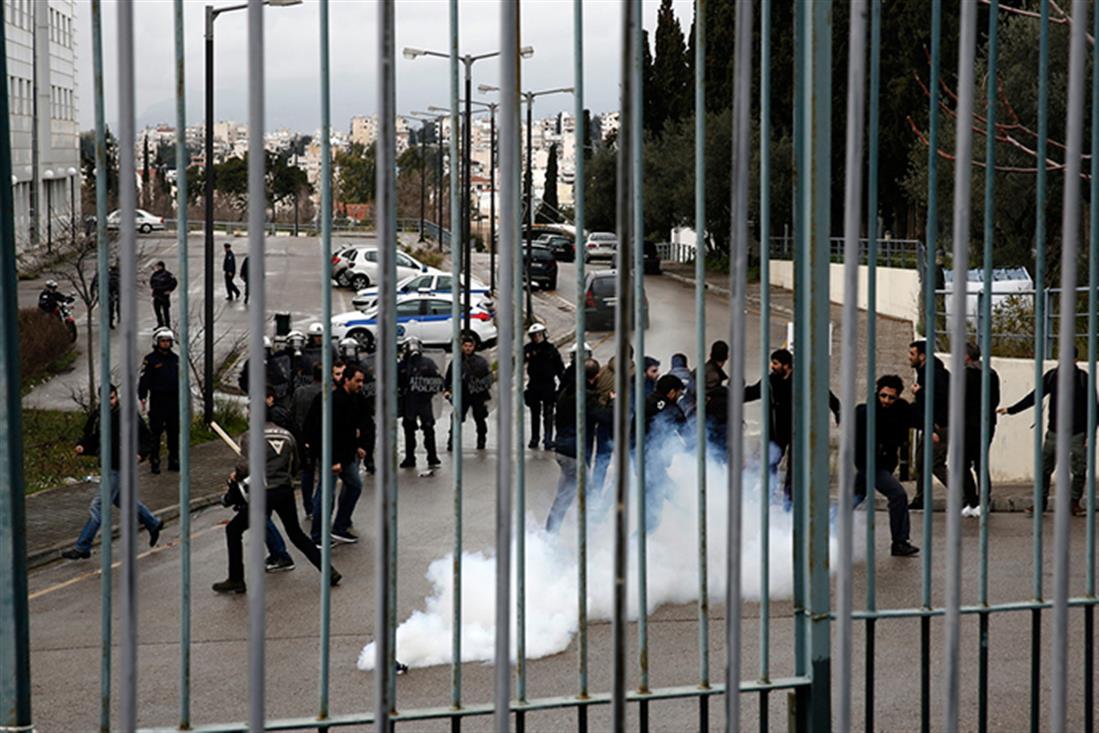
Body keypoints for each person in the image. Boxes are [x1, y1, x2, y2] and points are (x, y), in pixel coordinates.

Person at [212, 411, 340, 594]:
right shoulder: (287, 435)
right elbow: (296, 464)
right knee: (296, 533)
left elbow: (245, 466)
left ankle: (236, 578)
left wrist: (237, 475)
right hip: (284, 489)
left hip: (263, 491)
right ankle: (329, 571)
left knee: (233, 529)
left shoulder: (250, 436)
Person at [61, 384, 164, 560]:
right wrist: (82, 446)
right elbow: (91, 436)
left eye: (113, 398)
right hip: (107, 464)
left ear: (117, 397)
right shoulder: (98, 416)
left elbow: (147, 437)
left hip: (121, 465)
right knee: (122, 499)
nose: (110, 402)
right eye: (106, 399)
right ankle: (152, 523)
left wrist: (140, 453)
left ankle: (82, 546)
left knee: (98, 505)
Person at [998, 346, 1098, 515]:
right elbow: (1035, 396)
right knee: (1044, 468)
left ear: (1075, 360)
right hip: (1054, 432)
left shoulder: (1083, 379)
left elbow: (1094, 408)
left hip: (1077, 433)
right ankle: (1040, 503)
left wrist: (1090, 434)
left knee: (1079, 470)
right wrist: (1011, 409)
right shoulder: (1053, 376)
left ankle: (1074, 502)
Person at [744, 348, 840, 503]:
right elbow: (753, 392)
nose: (772, 367)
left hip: (797, 431)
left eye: (775, 363)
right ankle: (769, 494)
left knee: (794, 468)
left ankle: (790, 502)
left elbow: (824, 393)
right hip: (776, 431)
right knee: (771, 462)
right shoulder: (771, 381)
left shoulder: (802, 380)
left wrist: (837, 410)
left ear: (786, 365)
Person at [852, 375, 920, 557]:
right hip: (870, 464)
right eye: (883, 396)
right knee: (898, 495)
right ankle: (899, 542)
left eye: (891, 397)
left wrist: (920, 396)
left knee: (853, 498)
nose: (886, 401)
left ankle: (823, 530)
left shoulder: (901, 409)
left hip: (886, 464)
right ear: (877, 392)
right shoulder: (864, 412)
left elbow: (918, 417)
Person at [306, 362, 368, 544]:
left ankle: (340, 526)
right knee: (326, 495)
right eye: (357, 381)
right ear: (346, 380)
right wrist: (332, 460)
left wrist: (358, 445)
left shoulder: (354, 400)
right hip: (331, 456)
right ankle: (318, 536)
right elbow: (323, 432)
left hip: (346, 455)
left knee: (355, 486)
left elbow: (353, 428)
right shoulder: (331, 401)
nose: (360, 385)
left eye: (362, 381)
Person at [544, 358, 601, 533]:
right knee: (590, 495)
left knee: (564, 496)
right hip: (573, 452)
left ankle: (550, 534)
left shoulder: (566, 392)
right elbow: (604, 416)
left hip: (563, 450)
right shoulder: (585, 396)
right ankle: (593, 534)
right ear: (595, 376)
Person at [640, 374, 689, 530]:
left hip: (644, 461)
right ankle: (632, 548)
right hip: (651, 464)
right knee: (652, 519)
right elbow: (688, 433)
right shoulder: (670, 409)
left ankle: (690, 517)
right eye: (679, 393)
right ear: (671, 392)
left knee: (673, 495)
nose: (679, 397)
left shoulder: (646, 402)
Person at [907, 339, 951, 509]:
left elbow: (941, 399)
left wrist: (920, 393)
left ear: (922, 356)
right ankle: (921, 498)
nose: (909, 357)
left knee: (935, 464)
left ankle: (964, 495)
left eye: (912, 354)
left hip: (940, 426)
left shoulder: (935, 374)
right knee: (921, 462)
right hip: (930, 425)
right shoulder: (925, 372)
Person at [961, 342, 1001, 516]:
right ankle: (984, 501)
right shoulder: (991, 373)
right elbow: (995, 399)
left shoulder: (965, 375)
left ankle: (973, 501)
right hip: (986, 424)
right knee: (980, 464)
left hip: (968, 425)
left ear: (967, 356)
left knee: (961, 464)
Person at [138, 327, 181, 474]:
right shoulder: (150, 360)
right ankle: (155, 459)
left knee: (174, 431)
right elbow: (144, 379)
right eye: (163, 341)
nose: (166, 344)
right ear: (157, 342)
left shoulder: (175, 359)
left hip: (174, 400)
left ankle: (174, 458)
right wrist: (142, 395)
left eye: (168, 341)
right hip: (158, 400)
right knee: (156, 432)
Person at [398, 336, 443, 468]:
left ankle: (432, 456)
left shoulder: (427, 363)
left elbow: (438, 380)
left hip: (424, 400)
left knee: (428, 428)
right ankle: (410, 457)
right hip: (408, 401)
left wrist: (431, 388)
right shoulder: (401, 365)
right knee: (409, 429)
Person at [445, 334, 493, 451]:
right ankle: (452, 441)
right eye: (465, 346)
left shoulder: (481, 361)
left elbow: (488, 378)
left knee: (479, 417)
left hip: (477, 394)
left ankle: (481, 439)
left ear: (474, 347)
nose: (467, 348)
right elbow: (448, 377)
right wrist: (447, 390)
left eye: (470, 346)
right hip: (462, 394)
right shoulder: (456, 361)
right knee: (456, 418)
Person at [524, 323, 565, 450]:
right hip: (534, 384)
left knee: (548, 412)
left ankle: (547, 438)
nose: (538, 338)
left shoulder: (551, 349)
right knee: (534, 412)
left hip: (548, 385)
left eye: (540, 335)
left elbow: (559, 367)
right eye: (535, 336)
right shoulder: (528, 349)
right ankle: (534, 438)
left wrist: (563, 384)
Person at [292, 363, 325, 517]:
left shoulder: (300, 392)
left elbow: (292, 414)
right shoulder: (328, 393)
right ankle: (318, 504)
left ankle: (308, 506)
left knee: (307, 472)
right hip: (322, 438)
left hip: (303, 438)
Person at [239, 336, 293, 409]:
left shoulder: (275, 363)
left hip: (274, 401)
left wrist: (273, 395)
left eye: (265, 350)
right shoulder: (250, 363)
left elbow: (281, 379)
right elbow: (243, 380)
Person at [149, 261, 177, 329]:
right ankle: (160, 324)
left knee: (165, 311)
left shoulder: (167, 274)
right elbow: (151, 282)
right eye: (157, 266)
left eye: (158, 266)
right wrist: (154, 288)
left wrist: (170, 290)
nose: (157, 268)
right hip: (157, 295)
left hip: (164, 295)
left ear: (162, 266)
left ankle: (167, 325)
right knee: (157, 310)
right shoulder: (155, 274)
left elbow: (174, 282)